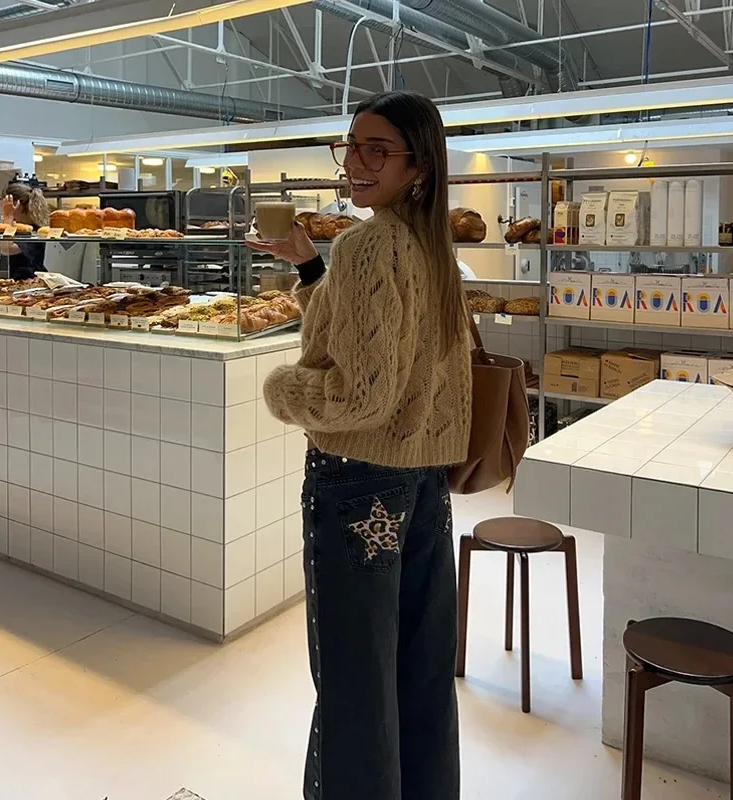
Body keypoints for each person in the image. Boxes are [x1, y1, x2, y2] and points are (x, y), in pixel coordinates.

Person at [247, 91, 472, 800]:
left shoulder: (370, 244)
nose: (356, 162)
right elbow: (379, 350)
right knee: (418, 671)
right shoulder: (427, 242)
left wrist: (281, 389)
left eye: (378, 149)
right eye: (350, 146)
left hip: (356, 482)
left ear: (418, 166)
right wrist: (312, 268)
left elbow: (360, 393)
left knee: (354, 681)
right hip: (422, 479)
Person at [0, 183, 50, 279]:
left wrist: (8, 216)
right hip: (13, 281)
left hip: (30, 282)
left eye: (6, 205)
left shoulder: (33, 231)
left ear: (17, 205)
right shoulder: (15, 228)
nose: (3, 208)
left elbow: (6, 249)